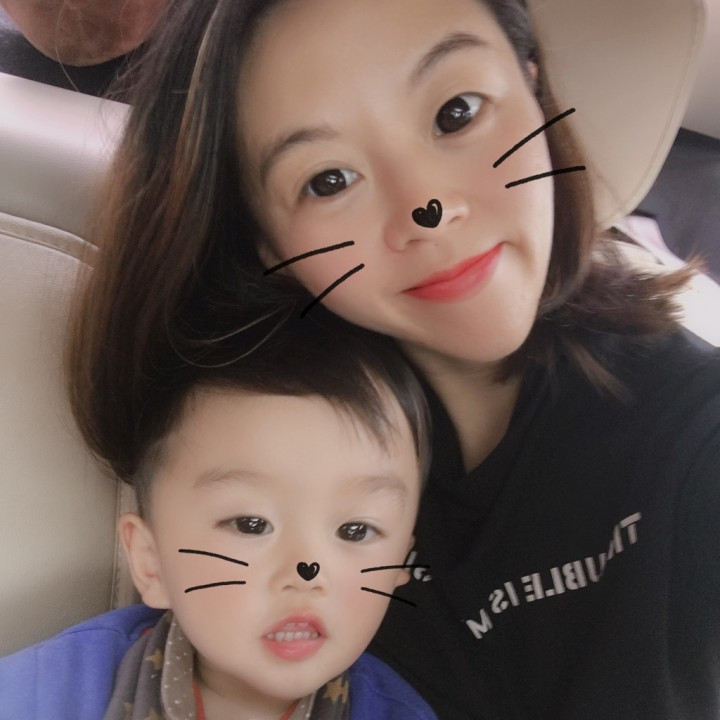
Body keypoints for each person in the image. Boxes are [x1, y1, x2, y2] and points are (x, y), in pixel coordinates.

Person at [63, 0, 720, 718]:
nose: (425, 208)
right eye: (329, 180)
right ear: (268, 244)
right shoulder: (234, 444)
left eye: (457, 113)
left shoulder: (694, 433)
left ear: (532, 85)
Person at [0, 316, 437, 720]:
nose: (307, 572)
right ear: (151, 562)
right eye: (251, 524)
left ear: (400, 563)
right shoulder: (49, 691)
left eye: (355, 530)